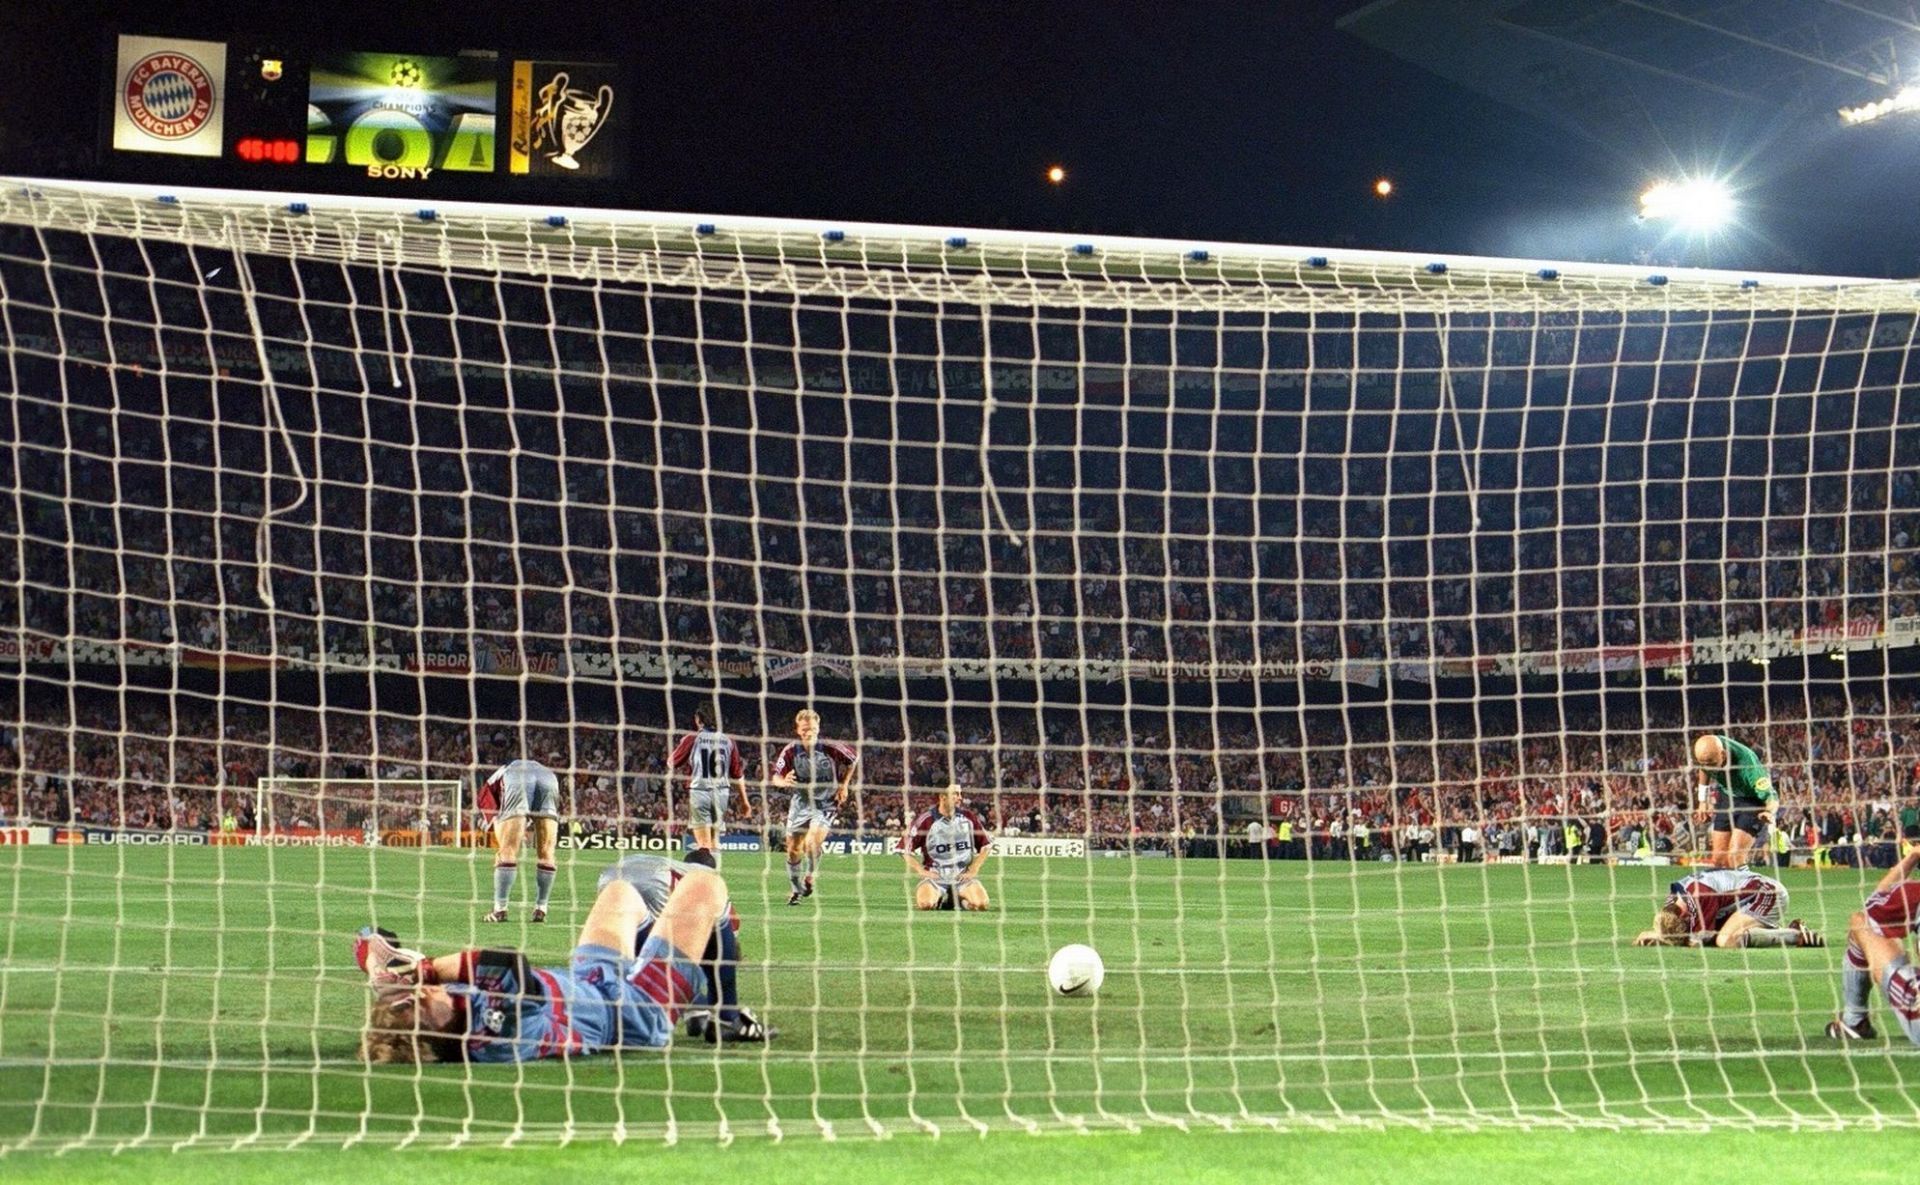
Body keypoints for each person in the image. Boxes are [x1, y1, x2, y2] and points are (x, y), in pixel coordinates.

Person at [357, 863, 739, 1063]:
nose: (423, 993)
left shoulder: (453, 1017)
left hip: (589, 981)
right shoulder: (495, 1034)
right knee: (704, 885)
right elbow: (507, 966)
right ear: (435, 1039)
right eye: (419, 1003)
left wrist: (384, 972)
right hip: (633, 1013)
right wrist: (423, 969)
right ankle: (727, 1013)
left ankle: (679, 960)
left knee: (621, 890)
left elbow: (375, 950)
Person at [596, 853, 775, 1042]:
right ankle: (727, 1017)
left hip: (610, 877)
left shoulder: (676, 865)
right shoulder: (707, 876)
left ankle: (696, 1009)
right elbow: (723, 943)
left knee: (641, 955)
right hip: (656, 880)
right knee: (682, 950)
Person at [1826, 845, 1920, 1042]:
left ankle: (1854, 1020)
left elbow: (1872, 906)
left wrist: (1912, 856)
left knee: (1861, 922)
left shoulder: (1914, 893)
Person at [767, 709, 858, 905]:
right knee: (793, 849)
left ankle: (809, 877)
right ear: (798, 730)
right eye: (805, 729)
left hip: (826, 803)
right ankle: (795, 890)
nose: (810, 732)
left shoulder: (830, 747)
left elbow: (853, 760)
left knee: (811, 842)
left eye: (813, 729)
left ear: (818, 729)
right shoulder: (791, 751)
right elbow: (775, 776)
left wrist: (844, 785)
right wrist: (784, 781)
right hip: (801, 803)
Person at [1632, 867, 1822, 949]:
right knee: (1725, 934)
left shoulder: (1699, 896)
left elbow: (1699, 940)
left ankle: (1795, 935)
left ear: (1684, 915)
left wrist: (1659, 939)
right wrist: (1662, 934)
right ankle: (1774, 930)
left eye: (1688, 922)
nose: (1690, 923)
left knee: (1725, 940)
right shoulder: (1673, 901)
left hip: (1768, 894)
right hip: (1750, 897)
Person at [476, 758, 563, 923]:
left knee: (506, 852)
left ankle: (500, 909)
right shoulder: (500, 775)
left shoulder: (487, 790)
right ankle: (541, 908)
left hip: (517, 776)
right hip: (548, 776)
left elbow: (490, 810)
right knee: (547, 852)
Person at [667, 701, 745, 863]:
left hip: (700, 791)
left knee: (703, 844)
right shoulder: (728, 741)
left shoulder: (693, 739)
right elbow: (738, 774)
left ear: (698, 719)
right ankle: (716, 879)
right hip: (722, 793)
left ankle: (704, 882)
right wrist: (745, 801)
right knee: (715, 842)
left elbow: (671, 762)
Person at [1691, 733, 1776, 869]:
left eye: (1712, 764)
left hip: (1752, 801)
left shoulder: (1748, 766)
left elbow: (1771, 796)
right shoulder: (1710, 752)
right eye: (1704, 764)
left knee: (1735, 857)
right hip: (1728, 797)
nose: (1709, 768)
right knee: (1719, 861)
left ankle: (1748, 889)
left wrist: (1769, 811)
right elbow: (1704, 769)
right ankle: (1728, 890)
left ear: (1723, 755)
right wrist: (1702, 801)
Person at [904, 784, 991, 911]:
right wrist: (921, 870)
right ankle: (937, 899)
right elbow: (904, 849)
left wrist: (974, 869)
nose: (960, 798)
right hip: (936, 875)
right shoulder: (926, 820)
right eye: (955, 794)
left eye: (960, 794)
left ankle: (958, 901)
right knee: (925, 905)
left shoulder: (969, 818)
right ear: (942, 797)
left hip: (961, 875)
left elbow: (986, 846)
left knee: (981, 905)